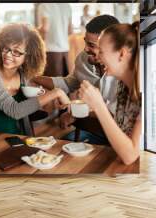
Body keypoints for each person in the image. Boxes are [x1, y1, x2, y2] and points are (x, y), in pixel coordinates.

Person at [31, 15, 120, 145]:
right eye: (86, 42)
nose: (85, 49)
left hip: (119, 137)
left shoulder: (125, 73)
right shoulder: (84, 59)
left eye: (91, 45)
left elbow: (118, 116)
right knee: (62, 147)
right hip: (93, 132)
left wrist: (75, 113)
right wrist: (34, 78)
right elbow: (68, 83)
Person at [0, 23, 70, 136]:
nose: (8, 55)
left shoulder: (23, 75)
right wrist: (56, 93)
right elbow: (15, 111)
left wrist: (44, 98)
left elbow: (33, 108)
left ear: (28, 56)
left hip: (17, 137)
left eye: (16, 52)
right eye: (6, 48)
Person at [78, 22, 141, 165]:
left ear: (122, 54)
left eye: (101, 52)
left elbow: (130, 155)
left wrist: (98, 105)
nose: (98, 58)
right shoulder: (122, 86)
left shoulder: (149, 91)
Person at [37, 3, 73, 77]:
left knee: (50, 85)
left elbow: (45, 28)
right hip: (65, 51)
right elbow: (70, 31)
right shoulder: (67, 6)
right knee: (63, 84)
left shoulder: (44, 5)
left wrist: (33, 31)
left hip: (50, 51)